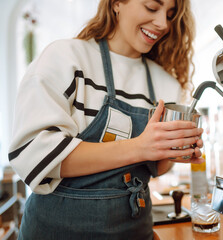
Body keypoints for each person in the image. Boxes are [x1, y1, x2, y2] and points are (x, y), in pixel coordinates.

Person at [8, 0, 203, 239]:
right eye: (152, 7)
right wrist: (140, 148)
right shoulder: (65, 58)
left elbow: (153, 169)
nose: (163, 23)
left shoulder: (166, 84)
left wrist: (173, 151)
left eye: (170, 15)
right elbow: (35, 155)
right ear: (117, 3)